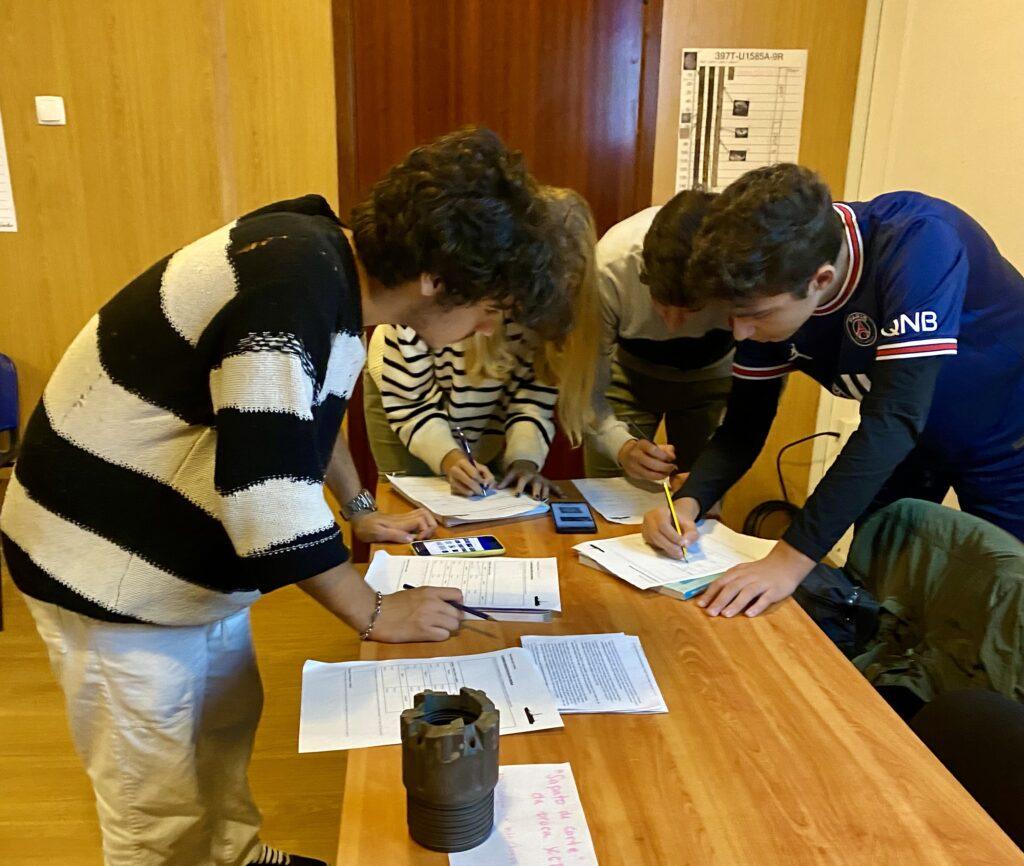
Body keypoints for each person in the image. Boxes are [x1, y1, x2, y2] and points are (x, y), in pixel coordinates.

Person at [0, 127, 561, 866]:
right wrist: (373, 609)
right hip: (104, 564)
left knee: (225, 724)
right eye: (491, 306)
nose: (488, 326)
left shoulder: (336, 278)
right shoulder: (295, 278)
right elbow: (266, 496)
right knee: (154, 800)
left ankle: (234, 856)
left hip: (176, 558)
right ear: (439, 277)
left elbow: (305, 415)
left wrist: (361, 512)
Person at [643, 163, 1024, 618]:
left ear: (820, 280)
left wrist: (788, 559)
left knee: (1006, 602)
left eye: (755, 315)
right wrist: (688, 503)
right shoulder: (769, 294)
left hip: (1005, 434)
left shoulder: (920, 241)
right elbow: (742, 428)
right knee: (879, 591)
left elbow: (892, 419)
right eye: (733, 315)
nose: (741, 333)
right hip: (911, 438)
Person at [363, 187, 598, 500]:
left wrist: (523, 460)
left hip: (480, 420)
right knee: (408, 513)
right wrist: (450, 458)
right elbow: (412, 406)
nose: (533, 306)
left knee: (477, 503)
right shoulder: (426, 310)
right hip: (406, 403)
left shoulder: (551, 317)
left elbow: (532, 398)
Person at [584, 190, 735, 482]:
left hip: (714, 377)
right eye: (661, 306)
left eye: (692, 310)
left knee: (696, 502)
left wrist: (714, 477)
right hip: (628, 378)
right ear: (644, 273)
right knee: (608, 495)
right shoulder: (609, 266)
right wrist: (621, 447)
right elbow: (585, 389)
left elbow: (762, 391)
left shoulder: (740, 269)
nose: (673, 326)